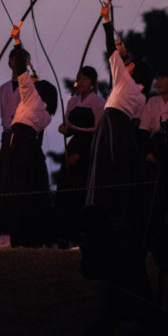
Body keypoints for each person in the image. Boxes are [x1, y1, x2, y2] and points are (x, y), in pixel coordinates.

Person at [86, 1, 153, 230]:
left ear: (135, 72)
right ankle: (115, 223)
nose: (128, 67)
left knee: (101, 171)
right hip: (122, 129)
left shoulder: (125, 81)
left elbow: (111, 52)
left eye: (131, 66)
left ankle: (95, 226)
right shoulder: (141, 96)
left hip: (110, 125)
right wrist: (125, 56)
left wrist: (106, 21)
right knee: (115, 174)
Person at [0, 24, 57, 248]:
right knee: (22, 184)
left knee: (13, 183)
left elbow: (21, 73)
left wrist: (17, 41)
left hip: (20, 141)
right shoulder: (45, 113)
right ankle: (27, 235)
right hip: (19, 141)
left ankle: (8, 235)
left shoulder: (32, 98)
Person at [55, 65, 104, 247]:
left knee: (80, 191)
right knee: (65, 189)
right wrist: (64, 128)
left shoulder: (98, 102)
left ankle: (80, 236)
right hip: (72, 145)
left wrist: (80, 153)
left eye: (85, 79)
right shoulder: (72, 102)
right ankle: (64, 235)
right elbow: (67, 125)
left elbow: (98, 130)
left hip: (88, 147)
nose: (81, 82)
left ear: (92, 83)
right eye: (79, 78)